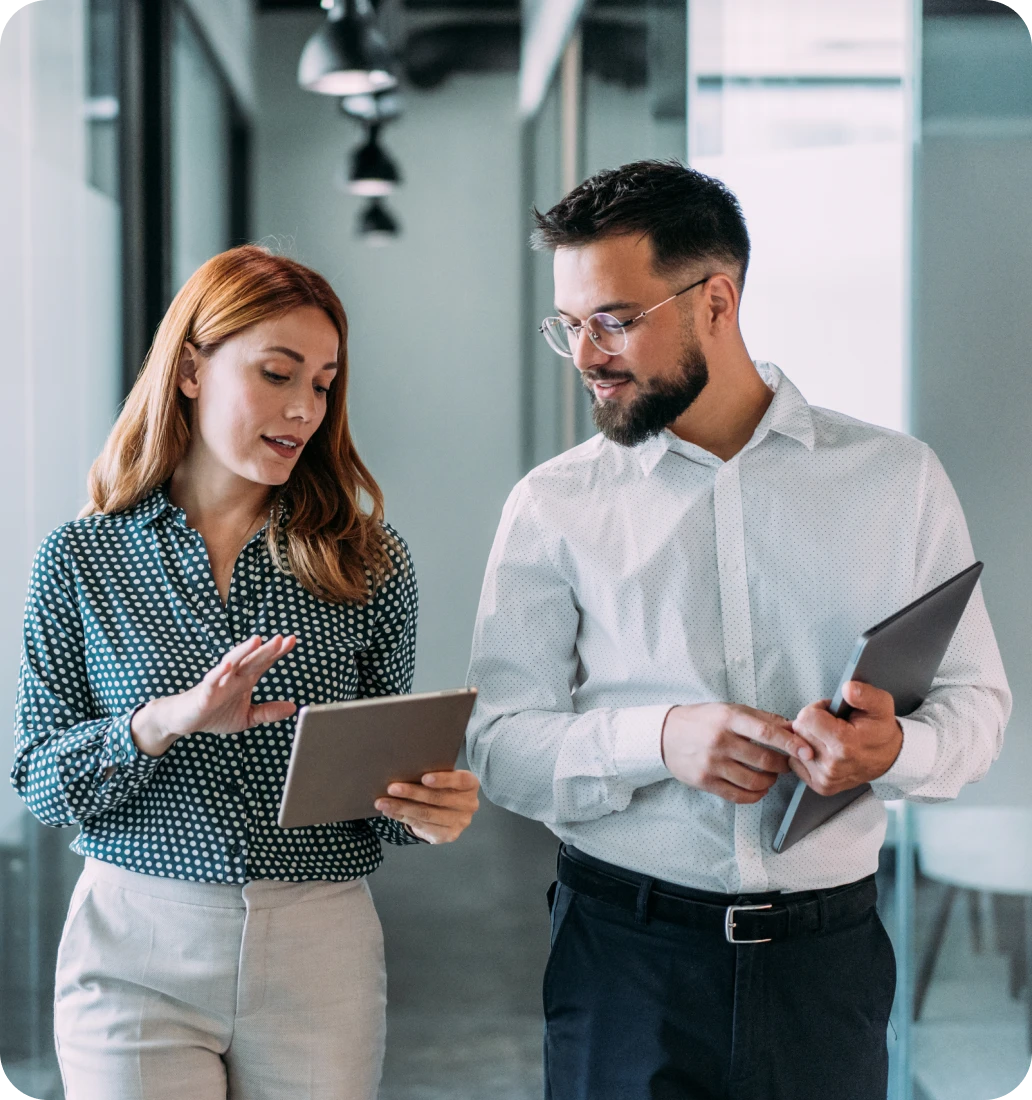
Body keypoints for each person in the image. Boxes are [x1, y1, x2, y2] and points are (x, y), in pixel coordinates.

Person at [465, 160, 1011, 1100]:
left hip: (827, 965)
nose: (589, 353)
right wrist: (661, 740)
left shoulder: (896, 480)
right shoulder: (553, 505)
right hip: (625, 962)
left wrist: (892, 751)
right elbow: (497, 746)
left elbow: (978, 709)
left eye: (615, 319)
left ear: (716, 301)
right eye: (571, 326)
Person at [11, 245, 480, 1100]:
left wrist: (429, 811)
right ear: (191, 368)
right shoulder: (82, 558)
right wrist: (164, 721)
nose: (304, 408)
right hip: (134, 940)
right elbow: (41, 782)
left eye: (324, 383)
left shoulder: (369, 563)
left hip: (318, 945)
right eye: (277, 373)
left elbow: (382, 802)